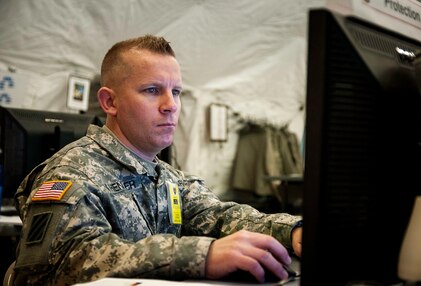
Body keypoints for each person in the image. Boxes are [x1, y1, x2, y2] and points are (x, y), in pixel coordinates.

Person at [13, 35, 303, 286]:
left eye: (176, 92)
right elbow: (65, 265)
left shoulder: (166, 177)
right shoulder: (69, 175)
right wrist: (201, 256)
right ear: (109, 102)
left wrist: (293, 231)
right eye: (152, 91)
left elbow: (222, 217)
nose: (171, 105)